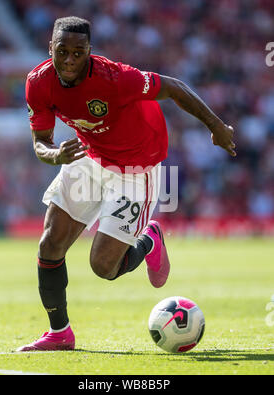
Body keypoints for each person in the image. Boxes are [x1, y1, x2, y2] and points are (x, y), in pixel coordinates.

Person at [17, 16, 236, 352]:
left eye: (79, 52)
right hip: (89, 157)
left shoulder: (116, 78)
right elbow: (40, 142)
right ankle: (59, 333)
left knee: (103, 267)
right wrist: (56, 155)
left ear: (90, 51)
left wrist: (216, 126)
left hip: (137, 166)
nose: (70, 60)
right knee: (49, 244)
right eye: (63, 51)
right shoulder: (38, 82)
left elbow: (174, 87)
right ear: (51, 49)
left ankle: (149, 239)